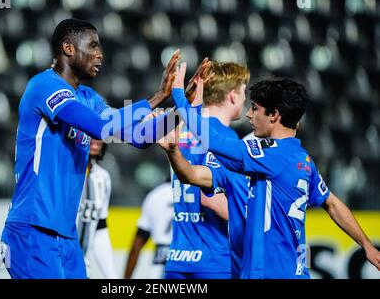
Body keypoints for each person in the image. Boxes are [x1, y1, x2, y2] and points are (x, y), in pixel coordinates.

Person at [0, 19, 180, 279]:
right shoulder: (43, 86)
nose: (100, 54)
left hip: (67, 238)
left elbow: (140, 137)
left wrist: (185, 106)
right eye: (93, 45)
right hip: (32, 231)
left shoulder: (89, 98)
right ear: (68, 48)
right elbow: (99, 128)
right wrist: (156, 97)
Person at [170, 74, 380, 278]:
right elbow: (332, 203)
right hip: (295, 271)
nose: (249, 115)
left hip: (268, 272)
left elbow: (213, 141)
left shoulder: (269, 155)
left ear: (274, 115)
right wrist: (367, 246)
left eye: (255, 108)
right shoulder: (302, 160)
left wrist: (180, 96)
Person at [159, 60, 250, 279]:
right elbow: (210, 199)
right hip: (212, 259)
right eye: (244, 91)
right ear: (233, 95)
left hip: (179, 257)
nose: (245, 98)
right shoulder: (223, 138)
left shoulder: (181, 128)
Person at [77, 139, 116, 279]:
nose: (95, 143)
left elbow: (99, 226)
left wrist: (111, 276)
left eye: (99, 141)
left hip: (83, 267)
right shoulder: (66, 173)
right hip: (60, 258)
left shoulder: (103, 177)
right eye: (91, 139)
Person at [124, 179, 173, 279]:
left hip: (158, 266)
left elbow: (136, 246)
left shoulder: (155, 195)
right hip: (190, 265)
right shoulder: (196, 193)